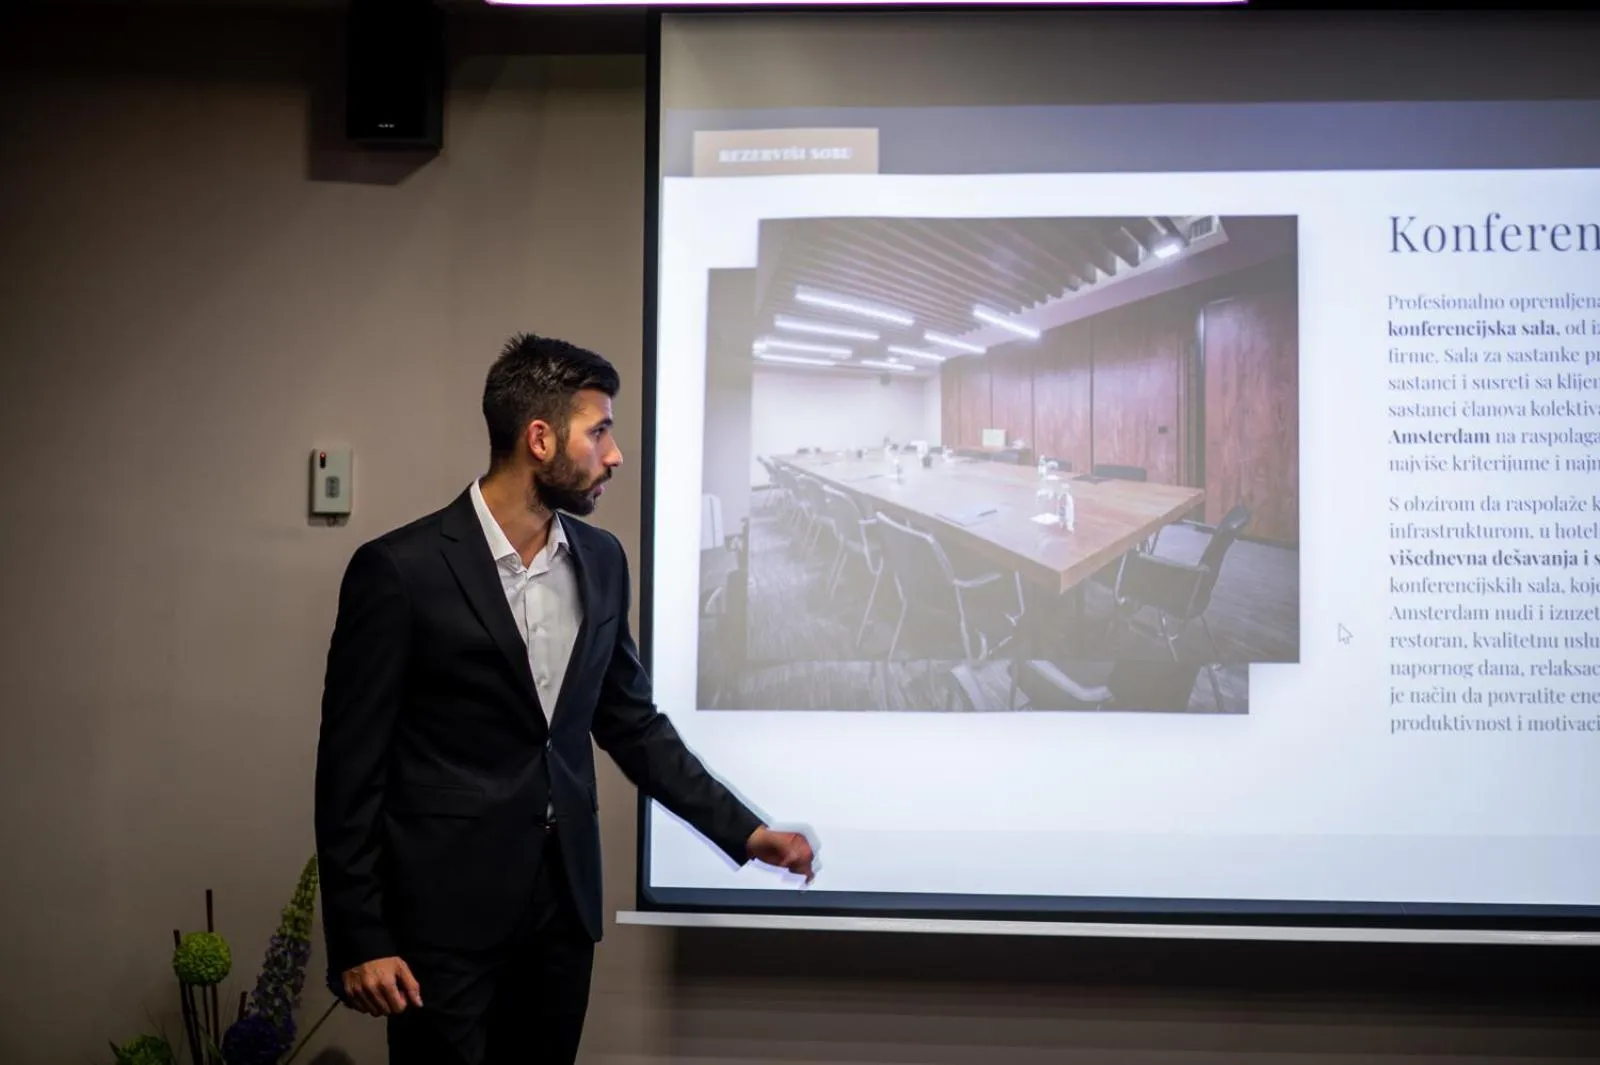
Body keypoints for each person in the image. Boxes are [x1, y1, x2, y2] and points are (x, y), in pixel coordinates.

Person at [313, 333, 815, 1065]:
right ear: (540, 438)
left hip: (560, 915)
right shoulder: (398, 570)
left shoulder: (603, 561)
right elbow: (348, 770)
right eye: (600, 431)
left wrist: (745, 832)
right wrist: (362, 936)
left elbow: (633, 725)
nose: (614, 454)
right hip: (439, 924)